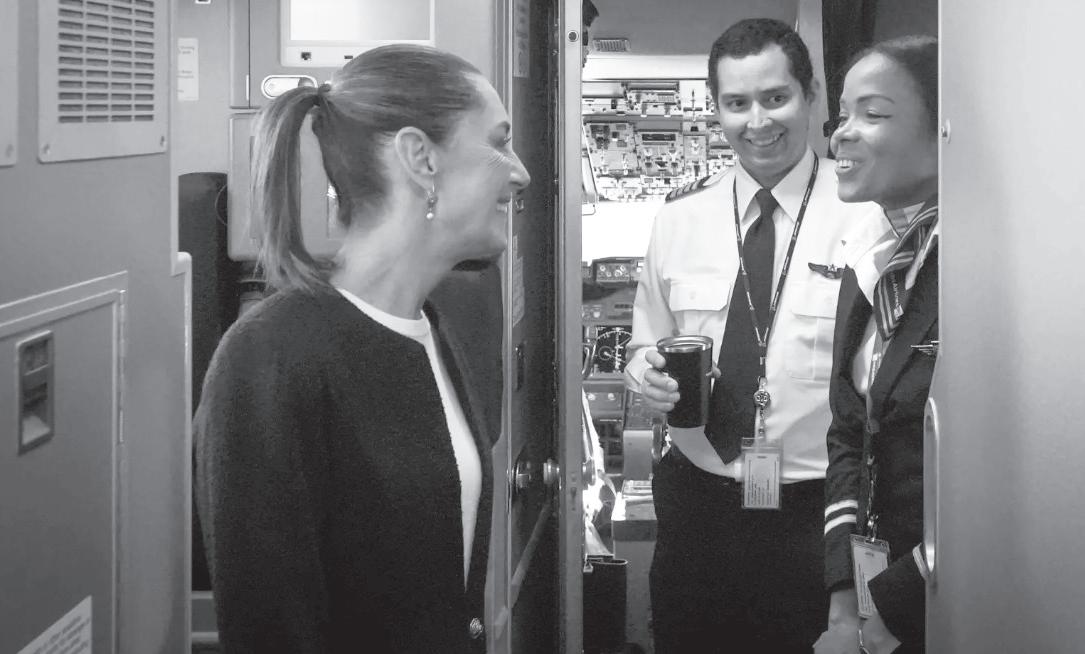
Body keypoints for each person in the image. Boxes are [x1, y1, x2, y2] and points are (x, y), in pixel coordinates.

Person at [193, 44, 530, 654]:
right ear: (421, 158)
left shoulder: (440, 326)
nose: (519, 172)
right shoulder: (270, 358)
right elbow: (271, 628)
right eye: (498, 143)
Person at [623, 18, 888, 652]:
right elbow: (642, 344)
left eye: (775, 97)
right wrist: (646, 375)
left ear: (811, 96)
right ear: (717, 109)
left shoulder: (868, 216)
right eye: (737, 103)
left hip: (819, 510)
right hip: (699, 505)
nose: (758, 121)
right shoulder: (679, 220)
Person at [816, 35, 940, 654]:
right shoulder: (870, 255)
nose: (842, 133)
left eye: (873, 113)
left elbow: (1004, 481)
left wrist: (890, 613)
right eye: (843, 114)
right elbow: (850, 430)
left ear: (945, 130)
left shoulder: (995, 275)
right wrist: (846, 598)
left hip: (953, 603)